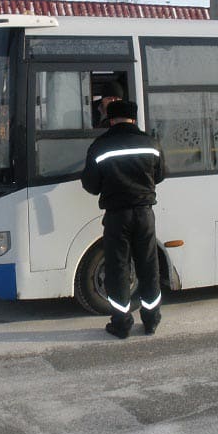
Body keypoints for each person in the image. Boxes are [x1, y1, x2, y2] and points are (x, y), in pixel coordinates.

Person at [81, 100, 166, 339]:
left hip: (117, 216)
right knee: (149, 267)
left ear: (110, 119)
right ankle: (151, 321)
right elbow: (160, 175)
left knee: (118, 269)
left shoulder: (100, 146)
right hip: (145, 214)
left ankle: (122, 324)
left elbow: (90, 185)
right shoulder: (151, 143)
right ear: (134, 119)